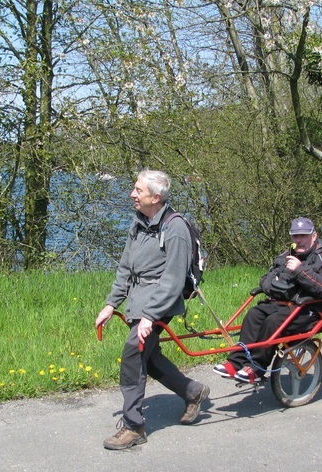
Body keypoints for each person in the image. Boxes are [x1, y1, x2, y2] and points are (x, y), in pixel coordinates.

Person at [94, 170, 209, 450]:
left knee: (133, 354)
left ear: (155, 197)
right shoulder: (139, 223)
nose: (132, 194)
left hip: (160, 301)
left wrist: (150, 316)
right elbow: (125, 269)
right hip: (138, 299)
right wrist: (111, 303)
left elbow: (172, 279)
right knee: (151, 357)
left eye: (138, 190)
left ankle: (133, 427)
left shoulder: (175, 228)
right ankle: (193, 392)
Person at [213, 217, 322, 384]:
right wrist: (273, 285)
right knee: (254, 314)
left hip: (310, 309)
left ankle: (257, 368)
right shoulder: (285, 255)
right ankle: (236, 362)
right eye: (295, 236)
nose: (299, 240)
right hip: (281, 304)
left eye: (304, 235)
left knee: (273, 322)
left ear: (314, 236)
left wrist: (299, 271)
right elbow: (266, 278)